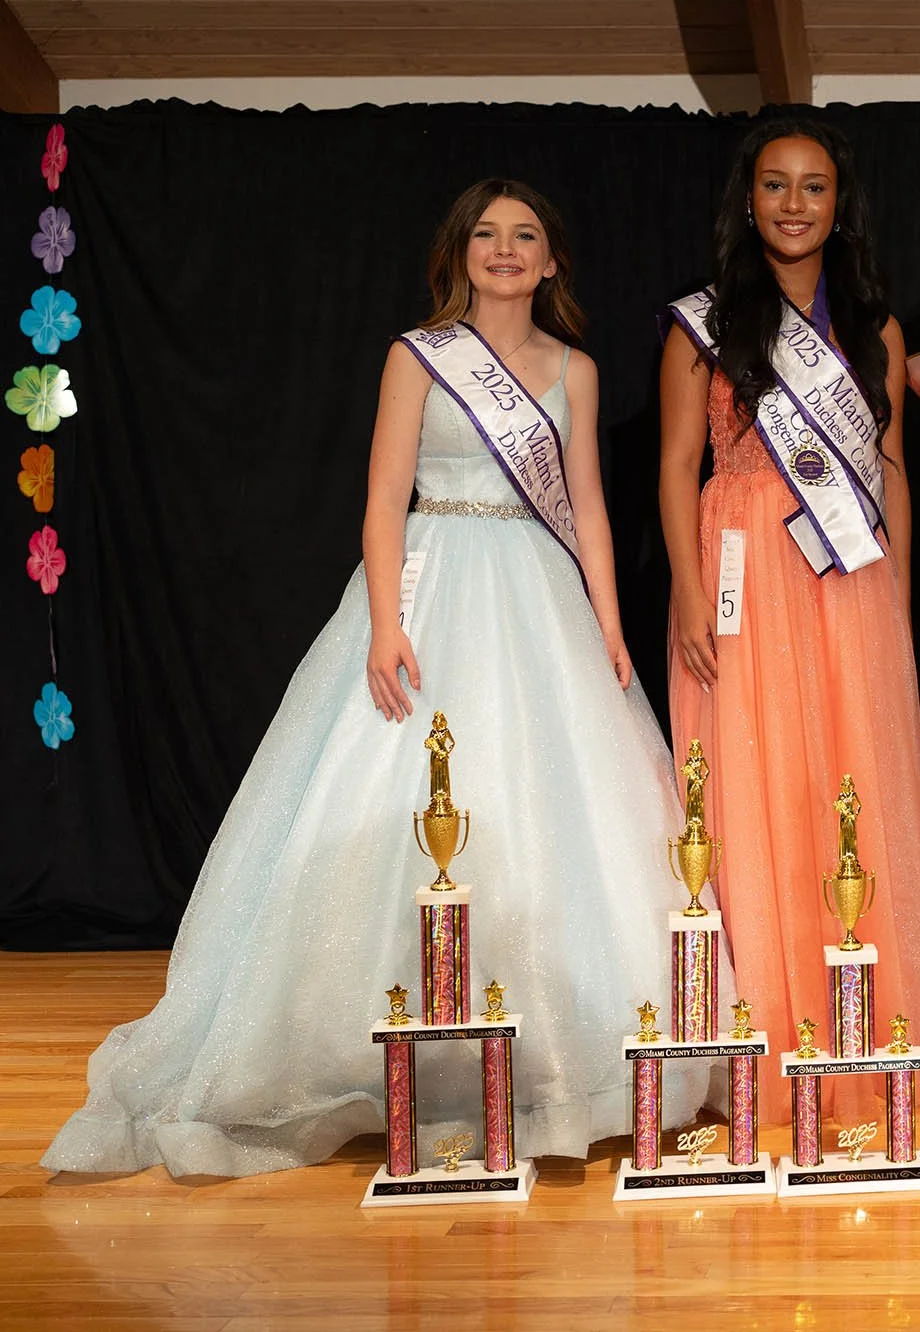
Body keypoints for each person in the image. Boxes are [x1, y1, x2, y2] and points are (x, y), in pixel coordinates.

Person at [44, 179, 724, 1177]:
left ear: (550, 262)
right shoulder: (417, 356)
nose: (504, 249)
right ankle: (379, 1055)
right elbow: (381, 496)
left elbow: (585, 504)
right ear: (462, 252)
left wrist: (613, 627)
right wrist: (383, 622)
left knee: (545, 812)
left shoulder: (573, 368)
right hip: (430, 574)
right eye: (486, 234)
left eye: (524, 235)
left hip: (538, 593)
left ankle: (550, 1064)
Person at [659, 117, 920, 1116]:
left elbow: (890, 471)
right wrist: (689, 588)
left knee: (850, 781)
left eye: (814, 187)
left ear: (841, 208)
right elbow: (674, 466)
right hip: (743, 554)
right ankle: (767, 1019)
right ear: (749, 200)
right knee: (756, 775)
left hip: (850, 576)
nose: (794, 203)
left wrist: (899, 599)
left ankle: (864, 1023)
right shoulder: (701, 324)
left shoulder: (874, 330)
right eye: (776, 185)